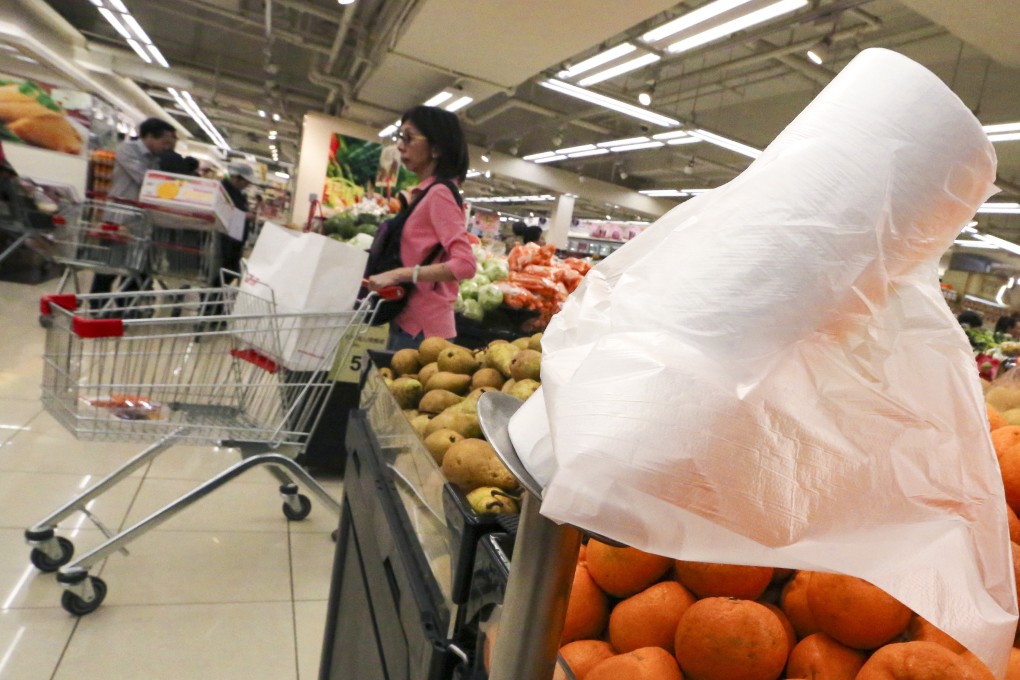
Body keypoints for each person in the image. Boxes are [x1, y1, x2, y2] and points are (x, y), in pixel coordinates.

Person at [363, 105, 475, 351]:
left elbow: (465, 264)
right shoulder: (426, 193)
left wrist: (399, 274)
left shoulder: (439, 194)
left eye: (408, 138)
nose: (400, 145)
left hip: (424, 332)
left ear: (436, 148)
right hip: (408, 320)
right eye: (400, 137)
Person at [90, 118, 177, 296]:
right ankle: (96, 303)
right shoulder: (127, 149)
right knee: (109, 267)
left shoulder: (156, 158)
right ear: (150, 136)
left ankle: (124, 306)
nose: (167, 147)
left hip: (140, 221)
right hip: (119, 218)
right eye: (164, 142)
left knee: (133, 269)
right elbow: (146, 180)